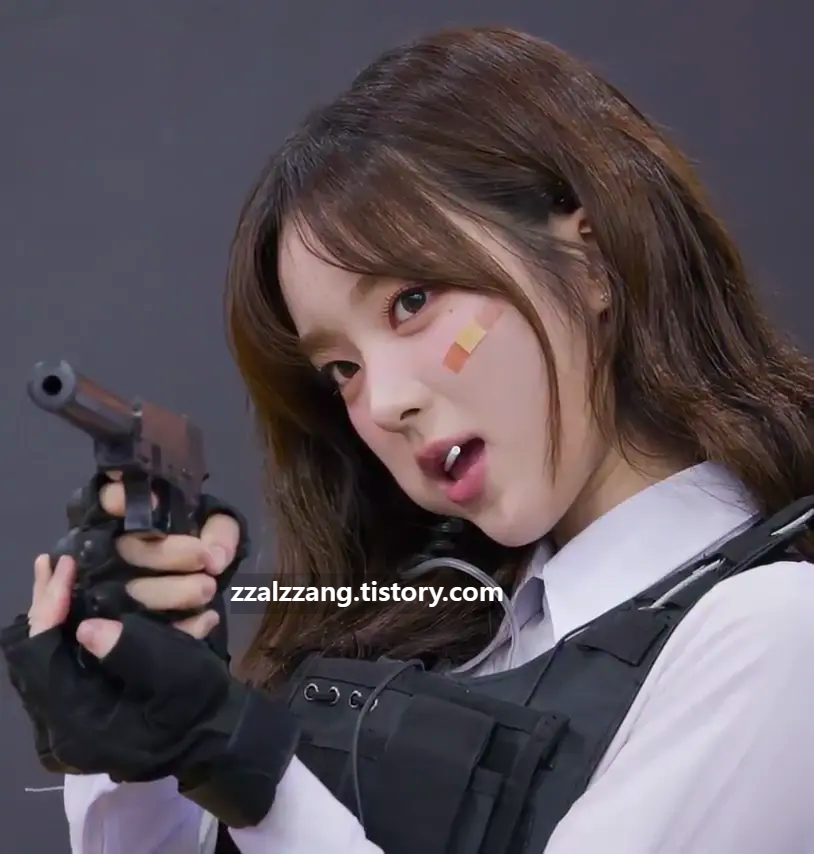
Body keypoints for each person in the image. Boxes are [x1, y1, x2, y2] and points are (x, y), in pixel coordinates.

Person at [4, 24, 814, 854]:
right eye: (342, 369)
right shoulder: (437, 624)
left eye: (412, 302)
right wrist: (133, 739)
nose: (384, 403)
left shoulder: (776, 634)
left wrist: (249, 768)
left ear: (591, 260)